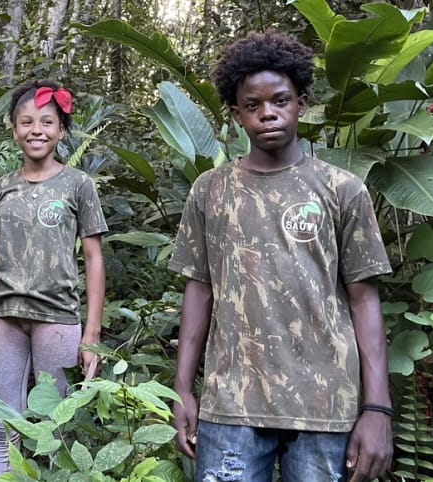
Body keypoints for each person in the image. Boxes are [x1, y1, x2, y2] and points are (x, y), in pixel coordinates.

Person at [168, 31, 394, 481]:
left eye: (280, 100)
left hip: (326, 406)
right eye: (252, 105)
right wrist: (182, 390)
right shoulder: (211, 190)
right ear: (236, 114)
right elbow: (200, 290)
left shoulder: (342, 189)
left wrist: (377, 409)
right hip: (230, 405)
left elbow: (364, 300)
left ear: (301, 103)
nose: (267, 113)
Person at [0, 79, 107, 476]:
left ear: (61, 130)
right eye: (26, 122)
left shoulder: (78, 185)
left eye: (47, 122)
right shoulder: (1, 188)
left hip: (58, 318)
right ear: (13, 129)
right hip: (3, 316)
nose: (36, 130)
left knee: (53, 427)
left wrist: (92, 334)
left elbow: (94, 259)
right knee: (3, 423)